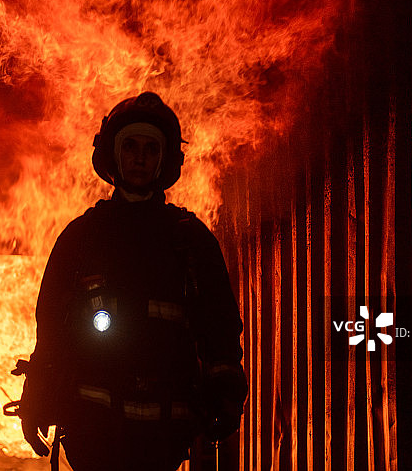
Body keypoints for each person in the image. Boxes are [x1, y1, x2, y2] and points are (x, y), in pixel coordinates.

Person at [17, 92, 247, 470]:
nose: (140, 158)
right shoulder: (81, 238)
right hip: (93, 432)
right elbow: (52, 332)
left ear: (163, 161)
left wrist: (225, 392)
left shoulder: (191, 241)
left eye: (151, 149)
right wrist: (37, 398)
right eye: (131, 147)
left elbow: (220, 327)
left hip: (165, 438)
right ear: (114, 156)